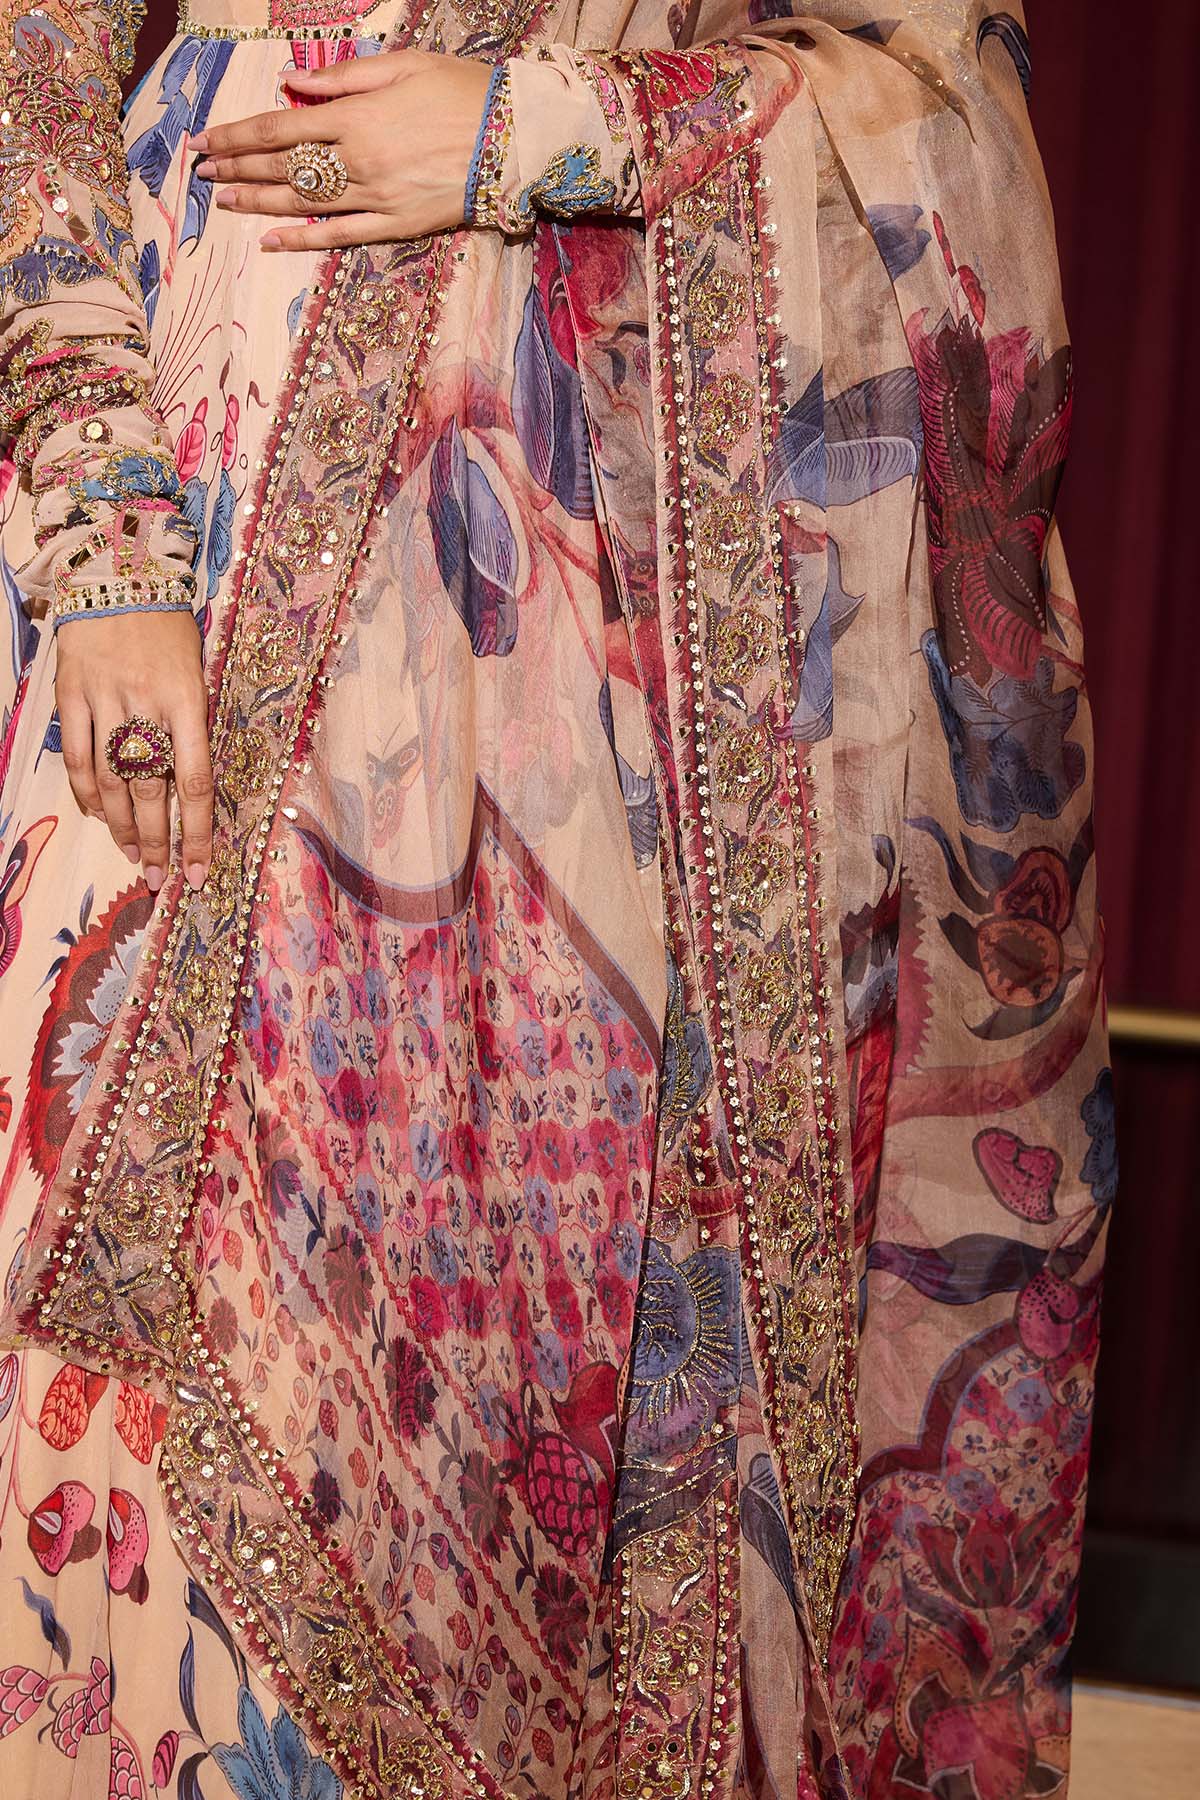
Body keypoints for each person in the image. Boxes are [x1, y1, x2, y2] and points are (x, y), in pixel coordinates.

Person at [0, 3, 1112, 1796]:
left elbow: (930, 89)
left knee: (521, 1456)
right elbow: (29, 54)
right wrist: (105, 533)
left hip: (594, 632)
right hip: (180, 495)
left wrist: (545, 132)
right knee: (96, 1385)